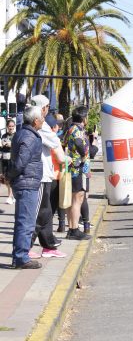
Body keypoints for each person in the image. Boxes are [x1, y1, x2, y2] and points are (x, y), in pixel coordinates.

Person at [29, 96, 70, 258]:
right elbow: (55, 143)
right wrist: (66, 158)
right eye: (46, 107)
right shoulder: (40, 125)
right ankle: (25, 246)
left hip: (45, 174)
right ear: (43, 108)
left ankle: (49, 245)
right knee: (40, 212)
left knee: (45, 212)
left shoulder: (36, 123)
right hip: (40, 174)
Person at [10, 105, 44, 269]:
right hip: (27, 183)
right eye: (42, 118)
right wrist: (11, 175)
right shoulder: (30, 137)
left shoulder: (22, 133)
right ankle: (21, 257)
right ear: (36, 121)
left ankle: (19, 256)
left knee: (22, 222)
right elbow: (20, 162)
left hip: (24, 182)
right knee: (26, 222)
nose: (43, 120)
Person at [63, 106, 92, 240]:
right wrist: (85, 156)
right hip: (77, 168)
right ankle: (74, 229)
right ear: (83, 118)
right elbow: (80, 144)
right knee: (77, 199)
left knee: (73, 199)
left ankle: (71, 229)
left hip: (72, 168)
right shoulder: (77, 130)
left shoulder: (70, 128)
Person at [1, 119, 16, 204]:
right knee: (6, 180)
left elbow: (18, 147)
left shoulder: (16, 135)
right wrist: (2, 144)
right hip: (4, 159)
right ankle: (12, 195)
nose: (11, 128)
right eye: (9, 126)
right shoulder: (4, 135)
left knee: (10, 178)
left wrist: (11, 145)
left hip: (12, 159)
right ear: (7, 127)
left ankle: (10, 196)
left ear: (14, 127)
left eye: (12, 126)